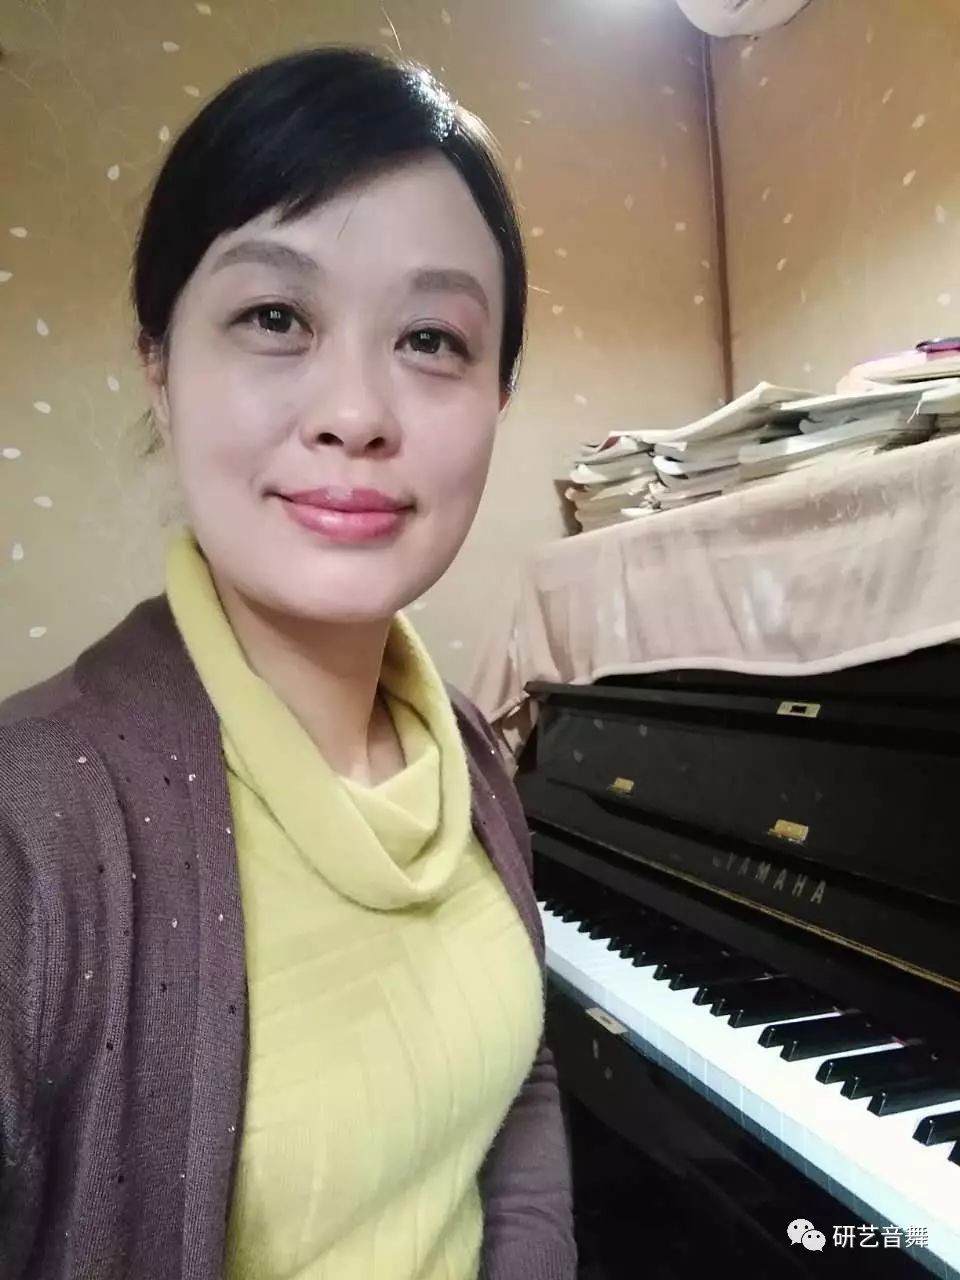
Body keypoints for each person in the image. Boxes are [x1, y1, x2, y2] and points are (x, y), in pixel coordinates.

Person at [0, 47, 575, 1280]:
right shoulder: (28, 828)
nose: (355, 412)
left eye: (432, 337)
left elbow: (514, 1068)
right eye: (276, 318)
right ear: (159, 362)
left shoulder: (470, 750)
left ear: (498, 393)